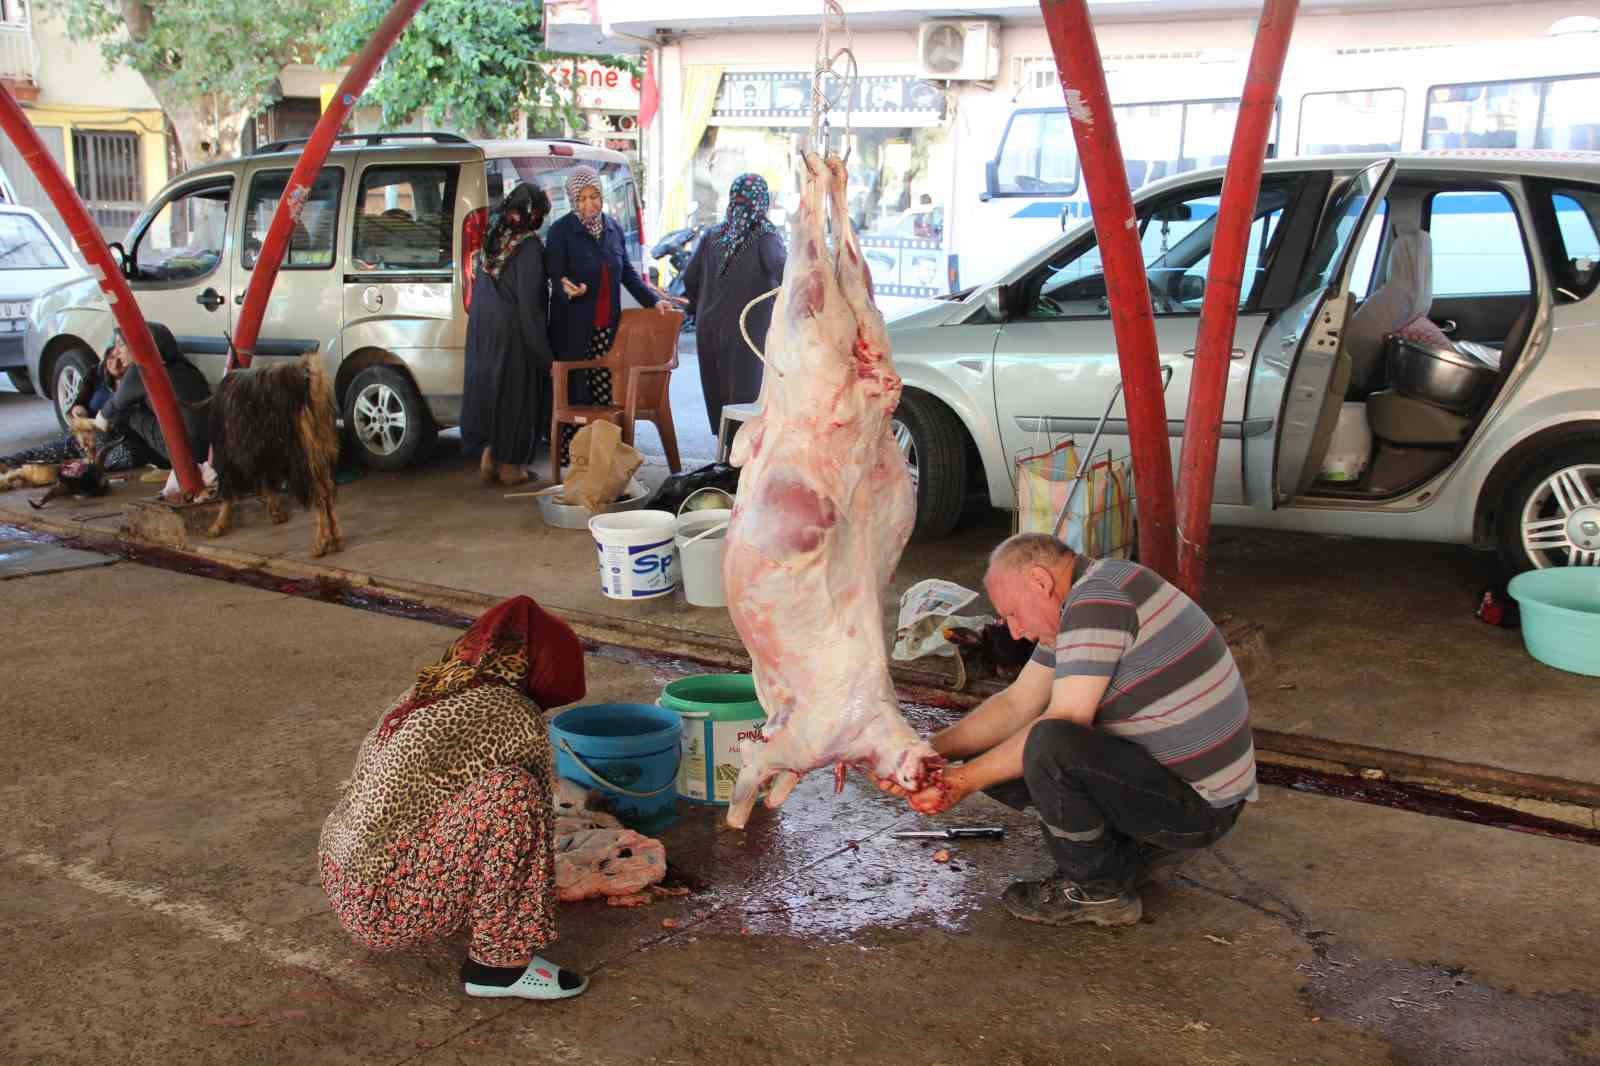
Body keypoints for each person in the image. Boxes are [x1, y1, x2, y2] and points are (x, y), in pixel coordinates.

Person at [883, 533, 1256, 928]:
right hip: (1179, 786)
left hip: (1199, 807)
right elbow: (1016, 703)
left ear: (1041, 583)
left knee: (1051, 743)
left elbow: (1063, 723)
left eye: (1012, 613)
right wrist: (926, 752)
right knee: (993, 746)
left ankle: (1100, 893)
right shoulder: (1089, 594)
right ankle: (1129, 850)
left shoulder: (1098, 603)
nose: (1014, 632)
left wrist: (960, 782)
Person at [318, 595, 591, 1001]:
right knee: (515, 797)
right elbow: (529, 831)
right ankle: (499, 966)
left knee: (495, 798)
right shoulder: (510, 711)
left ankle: (469, 918)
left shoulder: (435, 686)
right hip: (385, 907)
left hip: (348, 881)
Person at [544, 165, 678, 466]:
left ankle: (603, 461)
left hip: (607, 328)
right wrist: (568, 289)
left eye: (594, 196)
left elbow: (627, 274)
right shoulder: (561, 231)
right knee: (577, 394)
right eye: (582, 198)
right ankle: (575, 462)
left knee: (605, 397)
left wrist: (653, 300)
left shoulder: (613, 228)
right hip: (572, 330)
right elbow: (555, 275)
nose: (589, 204)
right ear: (572, 200)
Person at [462, 184, 557, 488]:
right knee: (519, 394)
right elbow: (530, 306)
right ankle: (510, 467)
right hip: (512, 332)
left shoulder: (495, 234)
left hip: (483, 328)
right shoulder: (528, 247)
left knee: (493, 391)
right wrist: (544, 356)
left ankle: (490, 455)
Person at [681, 173, 787, 433]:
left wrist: (697, 306)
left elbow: (689, 278)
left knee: (718, 390)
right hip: (748, 331)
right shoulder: (765, 236)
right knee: (746, 395)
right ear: (761, 201)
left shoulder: (713, 235)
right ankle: (739, 460)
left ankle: (723, 451)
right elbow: (786, 273)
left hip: (709, 328)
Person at [87, 322, 210, 468]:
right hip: (206, 451)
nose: (117, 351)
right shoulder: (185, 368)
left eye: (121, 344)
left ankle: (101, 459)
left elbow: (108, 412)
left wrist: (94, 429)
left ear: (138, 346)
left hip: (185, 453)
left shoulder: (142, 370)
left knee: (123, 413)